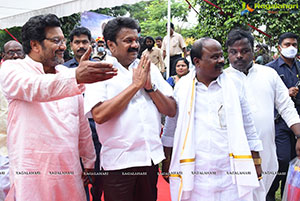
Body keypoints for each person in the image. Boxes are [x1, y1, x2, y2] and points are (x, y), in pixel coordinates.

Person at [0, 14, 117, 201]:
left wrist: (89, 161)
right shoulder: (13, 69)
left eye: (63, 40)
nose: (63, 47)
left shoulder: (66, 74)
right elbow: (35, 87)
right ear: (35, 45)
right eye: (56, 41)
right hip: (32, 173)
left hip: (70, 172)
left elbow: (81, 124)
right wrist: (76, 77)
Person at [84, 16, 176, 201]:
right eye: (128, 41)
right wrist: (135, 86)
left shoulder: (149, 68)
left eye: (136, 40)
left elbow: (171, 110)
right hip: (119, 163)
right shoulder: (100, 71)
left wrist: (150, 88)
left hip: (149, 160)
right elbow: (99, 115)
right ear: (111, 45)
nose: (135, 45)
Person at [162, 37, 263, 201]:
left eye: (221, 56)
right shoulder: (183, 87)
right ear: (197, 61)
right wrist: (167, 160)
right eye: (215, 57)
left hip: (230, 171)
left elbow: (248, 125)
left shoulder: (234, 83)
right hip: (196, 171)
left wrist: (256, 161)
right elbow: (171, 127)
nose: (221, 61)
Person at [224, 28, 300, 201]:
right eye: (233, 52)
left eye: (245, 51)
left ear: (253, 51)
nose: (239, 56)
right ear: (227, 53)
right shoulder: (221, 79)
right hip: (231, 154)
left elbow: (286, 107)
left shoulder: (268, 74)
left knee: (261, 194)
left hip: (265, 151)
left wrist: (299, 135)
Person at [63, 26, 103, 201]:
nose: (81, 46)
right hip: (72, 135)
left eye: (84, 42)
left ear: (91, 44)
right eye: (77, 42)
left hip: (99, 133)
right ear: (70, 45)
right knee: (77, 181)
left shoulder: (101, 69)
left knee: (100, 181)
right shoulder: (62, 70)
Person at [265, 32, 300, 201]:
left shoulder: (299, 67)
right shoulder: (270, 69)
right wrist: (286, 93)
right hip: (279, 121)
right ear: (279, 47)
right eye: (287, 45)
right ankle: (271, 190)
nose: (291, 48)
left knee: (295, 160)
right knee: (283, 158)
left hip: (298, 121)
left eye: (294, 44)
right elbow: (264, 96)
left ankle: (289, 192)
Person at [0, 40, 24, 200]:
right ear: (3, 56)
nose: (15, 56)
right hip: (4, 147)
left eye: (18, 52)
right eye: (11, 53)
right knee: (4, 188)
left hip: (27, 147)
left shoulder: (33, 79)